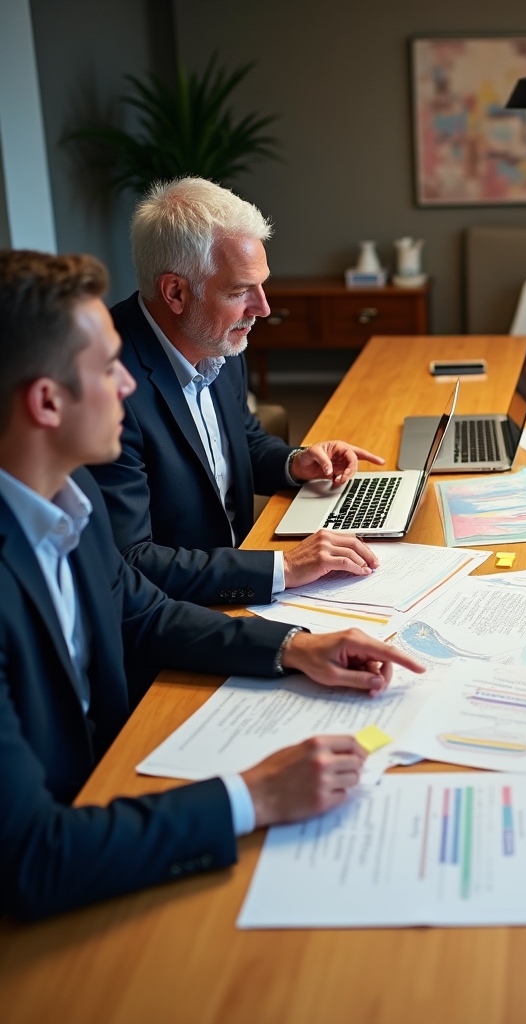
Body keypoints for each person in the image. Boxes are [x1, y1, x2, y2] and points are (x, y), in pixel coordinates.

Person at [0, 251, 424, 921]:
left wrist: (295, 647)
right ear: (47, 402)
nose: (130, 386)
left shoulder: (67, 487)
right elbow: (30, 857)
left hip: (114, 783)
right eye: (109, 369)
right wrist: (252, 796)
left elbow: (142, 615)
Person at [88, 176, 386, 607]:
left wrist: (294, 462)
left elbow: (241, 438)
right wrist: (283, 569)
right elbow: (131, 562)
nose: (262, 308)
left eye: (261, 284)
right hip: (179, 610)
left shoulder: (218, 339)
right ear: (175, 292)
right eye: (240, 290)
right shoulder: (105, 389)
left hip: (242, 572)